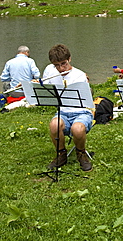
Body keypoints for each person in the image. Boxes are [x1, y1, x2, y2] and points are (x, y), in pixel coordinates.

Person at [43, 44, 94, 172]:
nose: (61, 68)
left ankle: (81, 154)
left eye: (63, 64)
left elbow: (87, 98)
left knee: (77, 128)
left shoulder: (79, 75)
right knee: (54, 125)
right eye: (57, 65)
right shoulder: (51, 73)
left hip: (81, 111)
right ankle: (61, 154)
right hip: (63, 111)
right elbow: (45, 90)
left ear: (69, 59)